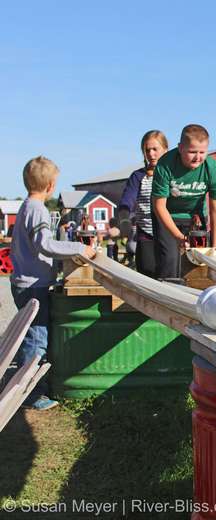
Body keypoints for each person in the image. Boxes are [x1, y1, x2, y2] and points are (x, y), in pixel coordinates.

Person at [10, 157, 96, 410]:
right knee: (37, 338)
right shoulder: (37, 210)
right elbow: (44, 244)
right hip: (33, 285)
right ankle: (32, 394)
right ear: (49, 185)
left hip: (26, 281)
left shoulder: (27, 207)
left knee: (33, 334)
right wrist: (80, 248)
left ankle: (28, 385)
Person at [152, 124, 216, 280]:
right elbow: (159, 206)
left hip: (196, 217)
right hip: (168, 216)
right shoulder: (165, 165)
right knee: (170, 261)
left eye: (202, 152)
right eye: (192, 152)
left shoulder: (212, 169)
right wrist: (179, 237)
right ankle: (169, 293)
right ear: (180, 148)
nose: (197, 157)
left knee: (200, 262)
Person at [118, 130, 169, 277]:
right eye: (147, 150)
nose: (151, 154)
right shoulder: (138, 176)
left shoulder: (174, 175)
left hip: (170, 235)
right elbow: (126, 202)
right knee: (147, 274)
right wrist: (125, 220)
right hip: (146, 234)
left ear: (165, 149)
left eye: (155, 149)